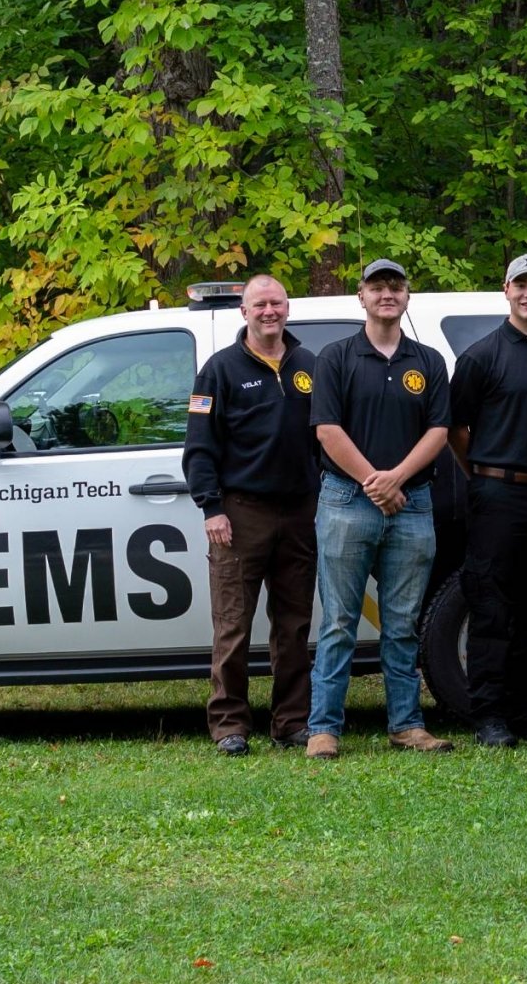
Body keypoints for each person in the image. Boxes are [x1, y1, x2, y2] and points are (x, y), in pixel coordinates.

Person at [306, 259, 452, 758]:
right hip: (347, 500)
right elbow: (327, 429)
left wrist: (397, 479)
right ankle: (324, 728)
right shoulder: (336, 357)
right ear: (361, 297)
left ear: (407, 296)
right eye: (377, 287)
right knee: (339, 622)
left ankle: (407, 724)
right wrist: (375, 480)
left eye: (395, 286)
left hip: (412, 503)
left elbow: (439, 431)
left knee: (402, 623)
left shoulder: (428, 361)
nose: (387, 294)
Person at [183, 276, 319, 757]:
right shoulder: (218, 371)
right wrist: (211, 507)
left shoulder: (309, 365)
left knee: (294, 625)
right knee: (233, 625)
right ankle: (229, 725)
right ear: (244, 311)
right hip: (240, 515)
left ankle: (291, 723)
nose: (269, 312)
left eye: (277, 303)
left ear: (288, 308)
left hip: (301, 512)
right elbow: (199, 448)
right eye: (259, 304)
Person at [449, 254, 527, 748]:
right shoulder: (481, 356)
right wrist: (480, 476)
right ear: (506, 290)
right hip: (497, 494)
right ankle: (489, 716)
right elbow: (456, 429)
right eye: (521, 284)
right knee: (491, 608)